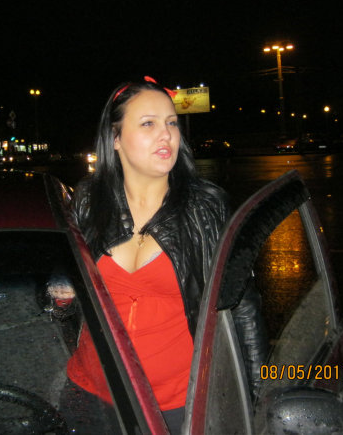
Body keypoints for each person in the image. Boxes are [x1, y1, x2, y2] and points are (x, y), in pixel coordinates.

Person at [51, 76, 229, 433]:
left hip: (174, 407)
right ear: (115, 138)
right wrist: (60, 293)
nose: (166, 135)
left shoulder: (204, 207)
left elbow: (241, 309)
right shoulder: (87, 201)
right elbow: (62, 301)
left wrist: (252, 397)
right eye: (148, 124)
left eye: (172, 123)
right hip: (88, 395)